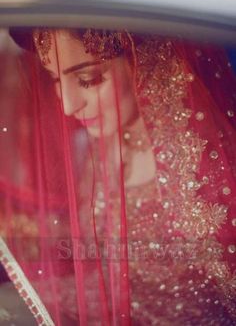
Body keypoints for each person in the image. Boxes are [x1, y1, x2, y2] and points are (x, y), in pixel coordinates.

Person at [0, 27, 235, 325]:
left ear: (145, 62)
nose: (69, 105)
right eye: (57, 80)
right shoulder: (101, 143)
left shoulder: (205, 162)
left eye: (89, 79)